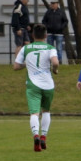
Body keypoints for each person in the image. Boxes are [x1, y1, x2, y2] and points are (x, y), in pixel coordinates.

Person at [13, 23, 59, 152]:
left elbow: (16, 67)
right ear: (45, 35)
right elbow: (55, 62)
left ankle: (36, 136)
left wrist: (26, 65)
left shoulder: (26, 48)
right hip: (48, 84)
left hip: (33, 84)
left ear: (32, 35)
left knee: (34, 113)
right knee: (46, 111)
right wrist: (55, 70)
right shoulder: (50, 48)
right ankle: (44, 136)